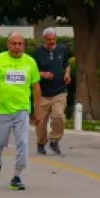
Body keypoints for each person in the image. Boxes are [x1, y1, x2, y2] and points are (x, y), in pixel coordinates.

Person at [0, 30, 41, 190]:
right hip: (2, 110)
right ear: (8, 45)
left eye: (20, 44)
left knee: (23, 142)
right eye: (14, 44)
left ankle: (17, 176)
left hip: (22, 110)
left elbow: (36, 88)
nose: (17, 47)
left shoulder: (30, 62)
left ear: (24, 45)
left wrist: (38, 111)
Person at [33, 27, 71, 155]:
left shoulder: (62, 50)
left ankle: (54, 140)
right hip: (42, 93)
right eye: (49, 39)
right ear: (44, 39)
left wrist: (67, 74)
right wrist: (43, 74)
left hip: (60, 91)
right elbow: (31, 71)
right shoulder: (37, 53)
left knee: (59, 115)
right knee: (41, 121)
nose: (52, 42)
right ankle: (41, 143)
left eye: (54, 39)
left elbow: (67, 65)